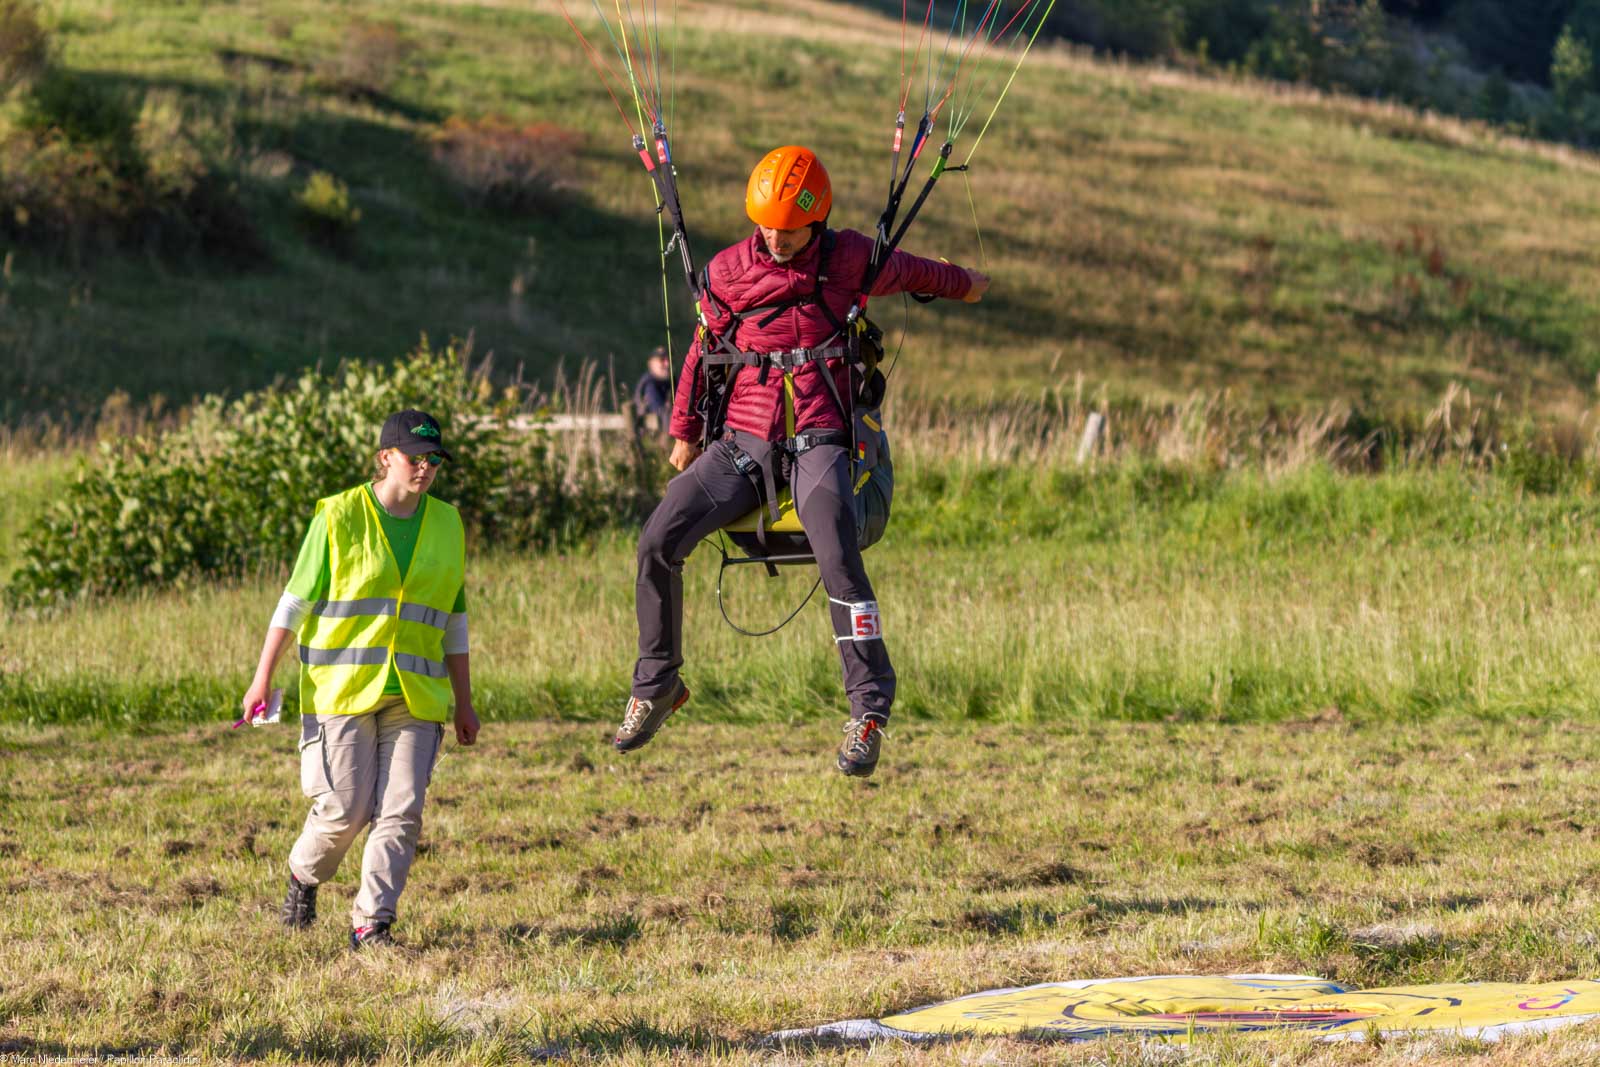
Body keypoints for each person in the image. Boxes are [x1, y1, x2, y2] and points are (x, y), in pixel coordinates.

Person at [614, 145, 989, 778]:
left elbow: (917, 271)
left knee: (838, 554)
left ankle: (868, 711)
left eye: (788, 229)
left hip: (820, 436)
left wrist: (967, 284)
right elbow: (702, 348)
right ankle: (657, 684)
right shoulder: (728, 271)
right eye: (766, 226)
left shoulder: (850, 260)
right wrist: (684, 431)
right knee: (657, 539)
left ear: (816, 219)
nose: (776, 238)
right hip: (744, 440)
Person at [240, 410, 480, 950]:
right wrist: (262, 679)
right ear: (385, 457)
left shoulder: (448, 524)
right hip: (342, 691)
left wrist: (464, 701)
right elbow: (293, 604)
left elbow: (454, 619)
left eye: (434, 460)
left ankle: (372, 923)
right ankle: (304, 875)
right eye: (414, 458)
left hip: (416, 695)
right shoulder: (338, 515)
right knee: (344, 812)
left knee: (401, 812)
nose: (425, 468)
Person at [633, 346, 673, 430]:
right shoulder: (649, 385)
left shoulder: (672, 381)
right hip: (652, 433)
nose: (667, 364)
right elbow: (659, 410)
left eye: (668, 360)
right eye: (662, 360)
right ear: (651, 363)